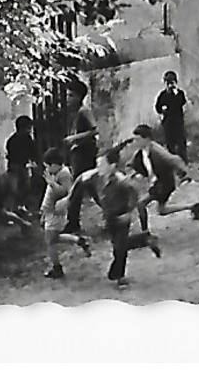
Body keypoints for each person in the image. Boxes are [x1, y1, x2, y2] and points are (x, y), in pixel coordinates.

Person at [94, 146, 162, 288]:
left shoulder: (121, 180)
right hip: (110, 217)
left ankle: (119, 277)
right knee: (118, 246)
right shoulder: (101, 178)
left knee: (120, 247)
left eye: (101, 164)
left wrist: (129, 212)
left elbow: (134, 193)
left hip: (121, 216)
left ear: (112, 166)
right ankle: (144, 239)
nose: (98, 167)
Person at [126, 124, 199, 228]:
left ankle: (145, 233)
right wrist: (132, 173)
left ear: (147, 139)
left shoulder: (157, 151)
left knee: (141, 204)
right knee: (162, 210)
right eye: (134, 140)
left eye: (138, 140)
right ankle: (192, 207)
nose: (135, 142)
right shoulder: (142, 151)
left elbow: (175, 159)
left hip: (164, 183)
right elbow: (132, 164)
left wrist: (185, 174)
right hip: (159, 182)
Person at [35, 148, 89, 280]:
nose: (46, 169)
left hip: (56, 212)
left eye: (48, 166)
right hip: (50, 211)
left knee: (50, 241)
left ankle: (56, 268)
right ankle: (78, 240)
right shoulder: (55, 173)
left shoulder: (64, 174)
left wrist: (52, 183)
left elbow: (66, 192)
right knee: (54, 237)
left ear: (54, 164)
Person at [59, 78, 99, 235]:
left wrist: (73, 139)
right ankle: (115, 213)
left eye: (70, 95)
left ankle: (73, 222)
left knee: (78, 188)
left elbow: (94, 131)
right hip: (78, 154)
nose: (67, 99)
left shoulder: (84, 111)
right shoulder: (75, 113)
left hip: (85, 154)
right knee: (90, 187)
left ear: (78, 96)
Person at [4, 116, 40, 218]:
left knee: (16, 189)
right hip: (19, 166)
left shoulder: (12, 140)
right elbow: (33, 151)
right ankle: (17, 208)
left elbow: (9, 153)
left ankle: (15, 208)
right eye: (29, 128)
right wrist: (33, 161)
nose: (30, 130)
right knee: (21, 188)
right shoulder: (26, 139)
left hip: (15, 165)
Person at [154, 71, 189, 161]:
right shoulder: (163, 95)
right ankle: (172, 162)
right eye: (167, 83)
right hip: (168, 122)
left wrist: (175, 92)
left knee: (181, 142)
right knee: (170, 143)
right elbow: (157, 107)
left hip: (178, 121)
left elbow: (182, 102)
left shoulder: (179, 93)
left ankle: (184, 161)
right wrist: (162, 111)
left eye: (172, 82)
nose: (170, 85)